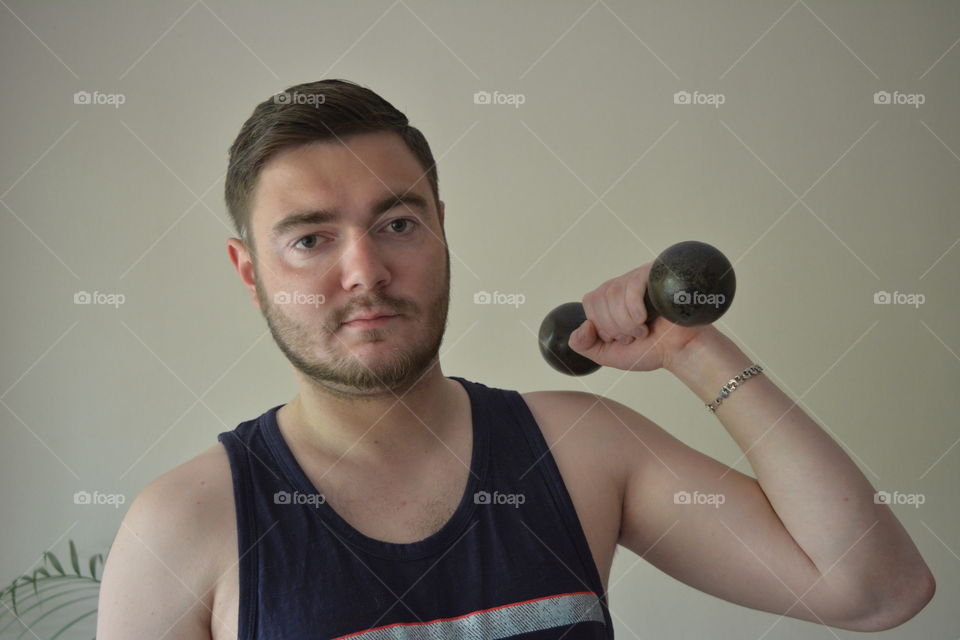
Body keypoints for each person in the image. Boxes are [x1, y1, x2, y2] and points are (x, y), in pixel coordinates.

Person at [97, 79, 935, 639]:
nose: (365, 270)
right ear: (250, 272)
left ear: (440, 230)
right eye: (312, 238)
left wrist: (692, 347)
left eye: (397, 223)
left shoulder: (579, 451)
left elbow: (876, 587)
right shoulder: (184, 528)